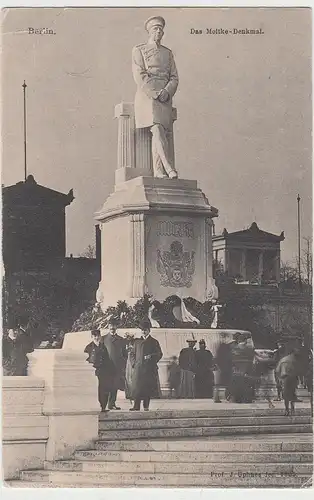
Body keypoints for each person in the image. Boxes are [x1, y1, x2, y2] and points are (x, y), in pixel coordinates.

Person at [132, 16, 179, 179]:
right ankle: (169, 168)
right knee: (157, 129)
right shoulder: (139, 50)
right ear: (149, 31)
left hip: (165, 97)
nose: (158, 31)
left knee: (160, 132)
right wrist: (154, 93)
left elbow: (174, 77)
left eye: (160, 29)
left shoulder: (168, 53)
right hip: (148, 96)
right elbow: (139, 74)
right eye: (155, 29)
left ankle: (159, 171)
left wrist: (166, 92)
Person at [129, 319, 163, 411]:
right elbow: (132, 354)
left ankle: (146, 406)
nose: (143, 331)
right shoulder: (137, 342)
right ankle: (136, 406)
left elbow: (159, 354)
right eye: (142, 330)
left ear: (149, 330)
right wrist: (133, 364)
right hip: (138, 369)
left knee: (146, 388)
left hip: (149, 369)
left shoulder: (154, 342)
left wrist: (151, 357)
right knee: (137, 388)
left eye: (145, 330)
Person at [84, 329, 114, 412]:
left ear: (100, 336)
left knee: (103, 389)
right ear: (91, 337)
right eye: (94, 336)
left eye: (98, 336)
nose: (96, 337)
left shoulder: (103, 346)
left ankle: (103, 407)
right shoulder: (88, 347)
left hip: (103, 371)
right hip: (93, 371)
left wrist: (109, 371)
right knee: (94, 389)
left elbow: (107, 359)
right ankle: (94, 407)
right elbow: (86, 360)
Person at [101, 318, 128, 410]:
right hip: (106, 367)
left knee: (115, 385)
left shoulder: (121, 340)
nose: (112, 327)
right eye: (110, 325)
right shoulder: (103, 339)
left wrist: (122, 365)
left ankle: (112, 403)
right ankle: (103, 404)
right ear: (108, 327)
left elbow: (125, 354)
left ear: (117, 327)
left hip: (117, 367)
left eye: (114, 325)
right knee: (106, 386)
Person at [275, 347, 302, 416]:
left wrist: (279, 379)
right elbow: (298, 370)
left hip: (285, 378)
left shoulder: (283, 360)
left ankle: (287, 410)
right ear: (293, 352)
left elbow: (277, 370)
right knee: (292, 394)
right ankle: (292, 409)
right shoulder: (295, 360)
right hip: (291, 377)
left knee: (286, 395)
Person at [124, 333, 135, 403]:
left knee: (131, 378)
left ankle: (132, 393)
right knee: (128, 379)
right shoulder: (126, 347)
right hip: (127, 364)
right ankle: (129, 393)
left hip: (131, 364)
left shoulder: (133, 347)